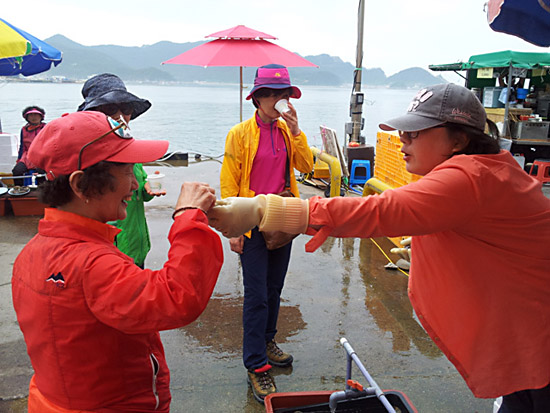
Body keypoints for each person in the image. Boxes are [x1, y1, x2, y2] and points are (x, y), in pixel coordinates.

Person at [209, 83, 550, 412]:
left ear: (459, 139)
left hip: (537, 342)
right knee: (259, 294)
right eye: (404, 131)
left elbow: (378, 210)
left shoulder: (469, 177)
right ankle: (258, 357)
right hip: (526, 338)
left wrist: (264, 209)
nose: (402, 139)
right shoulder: (489, 170)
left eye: (415, 133)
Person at [12, 111, 223, 412]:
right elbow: (174, 297)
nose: (135, 185)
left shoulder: (31, 252)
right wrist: (189, 217)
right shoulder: (91, 263)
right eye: (126, 171)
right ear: (81, 184)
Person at [220, 64, 313, 402]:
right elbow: (229, 179)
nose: (280, 100)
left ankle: (268, 340)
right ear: (258, 98)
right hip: (251, 221)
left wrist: (298, 130)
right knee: (256, 293)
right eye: (273, 94)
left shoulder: (288, 131)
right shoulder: (239, 133)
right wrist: (233, 227)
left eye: (283, 94)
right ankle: (257, 364)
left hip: (283, 216)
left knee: (275, 287)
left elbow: (305, 167)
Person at [77, 73, 163, 268]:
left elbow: (136, 191)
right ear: (93, 112)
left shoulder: (129, 148)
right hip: (109, 252)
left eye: (126, 108)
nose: (120, 116)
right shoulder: (87, 155)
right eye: (109, 108)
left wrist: (146, 190)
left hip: (136, 245)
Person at [12, 106, 47, 186]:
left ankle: (44, 191)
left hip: (42, 155)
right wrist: (19, 160)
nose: (34, 117)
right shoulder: (24, 129)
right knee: (17, 171)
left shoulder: (46, 128)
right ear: (26, 117)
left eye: (36, 115)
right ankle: (20, 190)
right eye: (31, 115)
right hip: (27, 156)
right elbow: (22, 146)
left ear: (41, 117)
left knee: (41, 171)